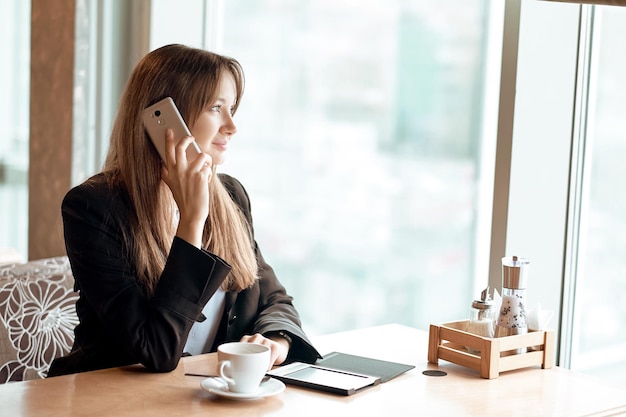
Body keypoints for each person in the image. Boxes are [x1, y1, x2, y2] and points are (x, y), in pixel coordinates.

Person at [48, 44, 321, 377]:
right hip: (112, 402)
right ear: (162, 119)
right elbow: (155, 351)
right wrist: (192, 221)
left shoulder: (231, 195)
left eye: (232, 108)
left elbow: (274, 299)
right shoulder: (93, 208)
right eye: (216, 108)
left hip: (201, 398)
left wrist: (276, 342)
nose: (231, 126)